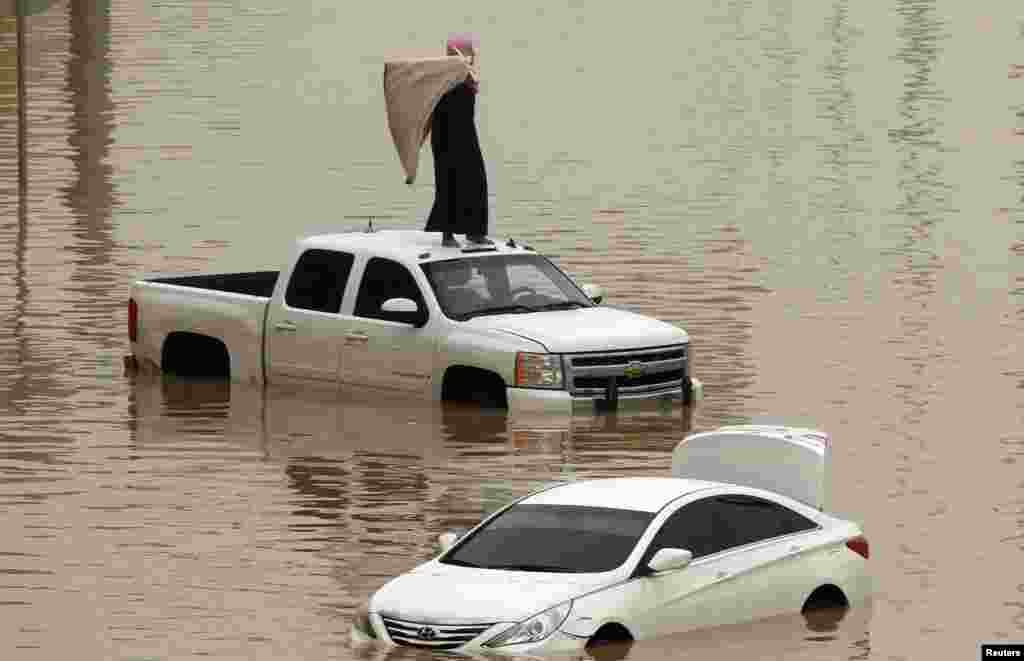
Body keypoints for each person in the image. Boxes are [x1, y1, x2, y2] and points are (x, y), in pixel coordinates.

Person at [423, 36, 492, 248]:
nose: (473, 56)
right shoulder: (445, 75)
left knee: (476, 180)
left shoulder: (466, 74)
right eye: (469, 52)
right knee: (448, 182)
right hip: (446, 135)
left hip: (466, 133)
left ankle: (475, 232)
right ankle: (447, 234)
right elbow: (431, 106)